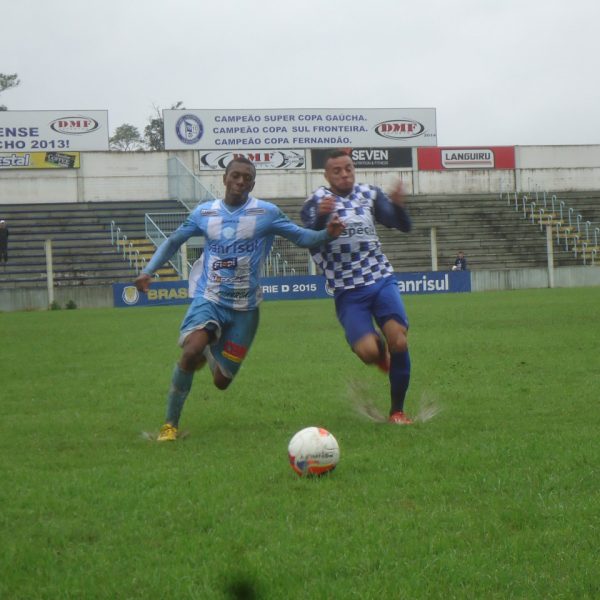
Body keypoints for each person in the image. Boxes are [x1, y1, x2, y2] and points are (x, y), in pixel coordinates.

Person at [135, 157, 344, 441]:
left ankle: (210, 348)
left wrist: (327, 235)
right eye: (235, 176)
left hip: (245, 310)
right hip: (210, 298)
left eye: (246, 178)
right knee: (190, 350)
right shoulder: (204, 213)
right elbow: (173, 241)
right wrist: (148, 271)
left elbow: (303, 238)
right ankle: (170, 425)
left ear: (252, 184)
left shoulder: (266, 213)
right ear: (224, 179)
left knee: (221, 381)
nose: (240, 182)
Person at [300, 149, 414, 425]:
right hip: (348, 290)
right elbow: (309, 240)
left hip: (380, 278)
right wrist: (321, 222)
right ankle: (372, 346)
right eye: (337, 170)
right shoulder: (315, 202)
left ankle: (397, 411)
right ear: (326, 175)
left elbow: (403, 226)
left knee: (398, 340)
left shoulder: (369, 194)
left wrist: (398, 207)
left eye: (348, 168)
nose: (344, 174)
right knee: (369, 353)